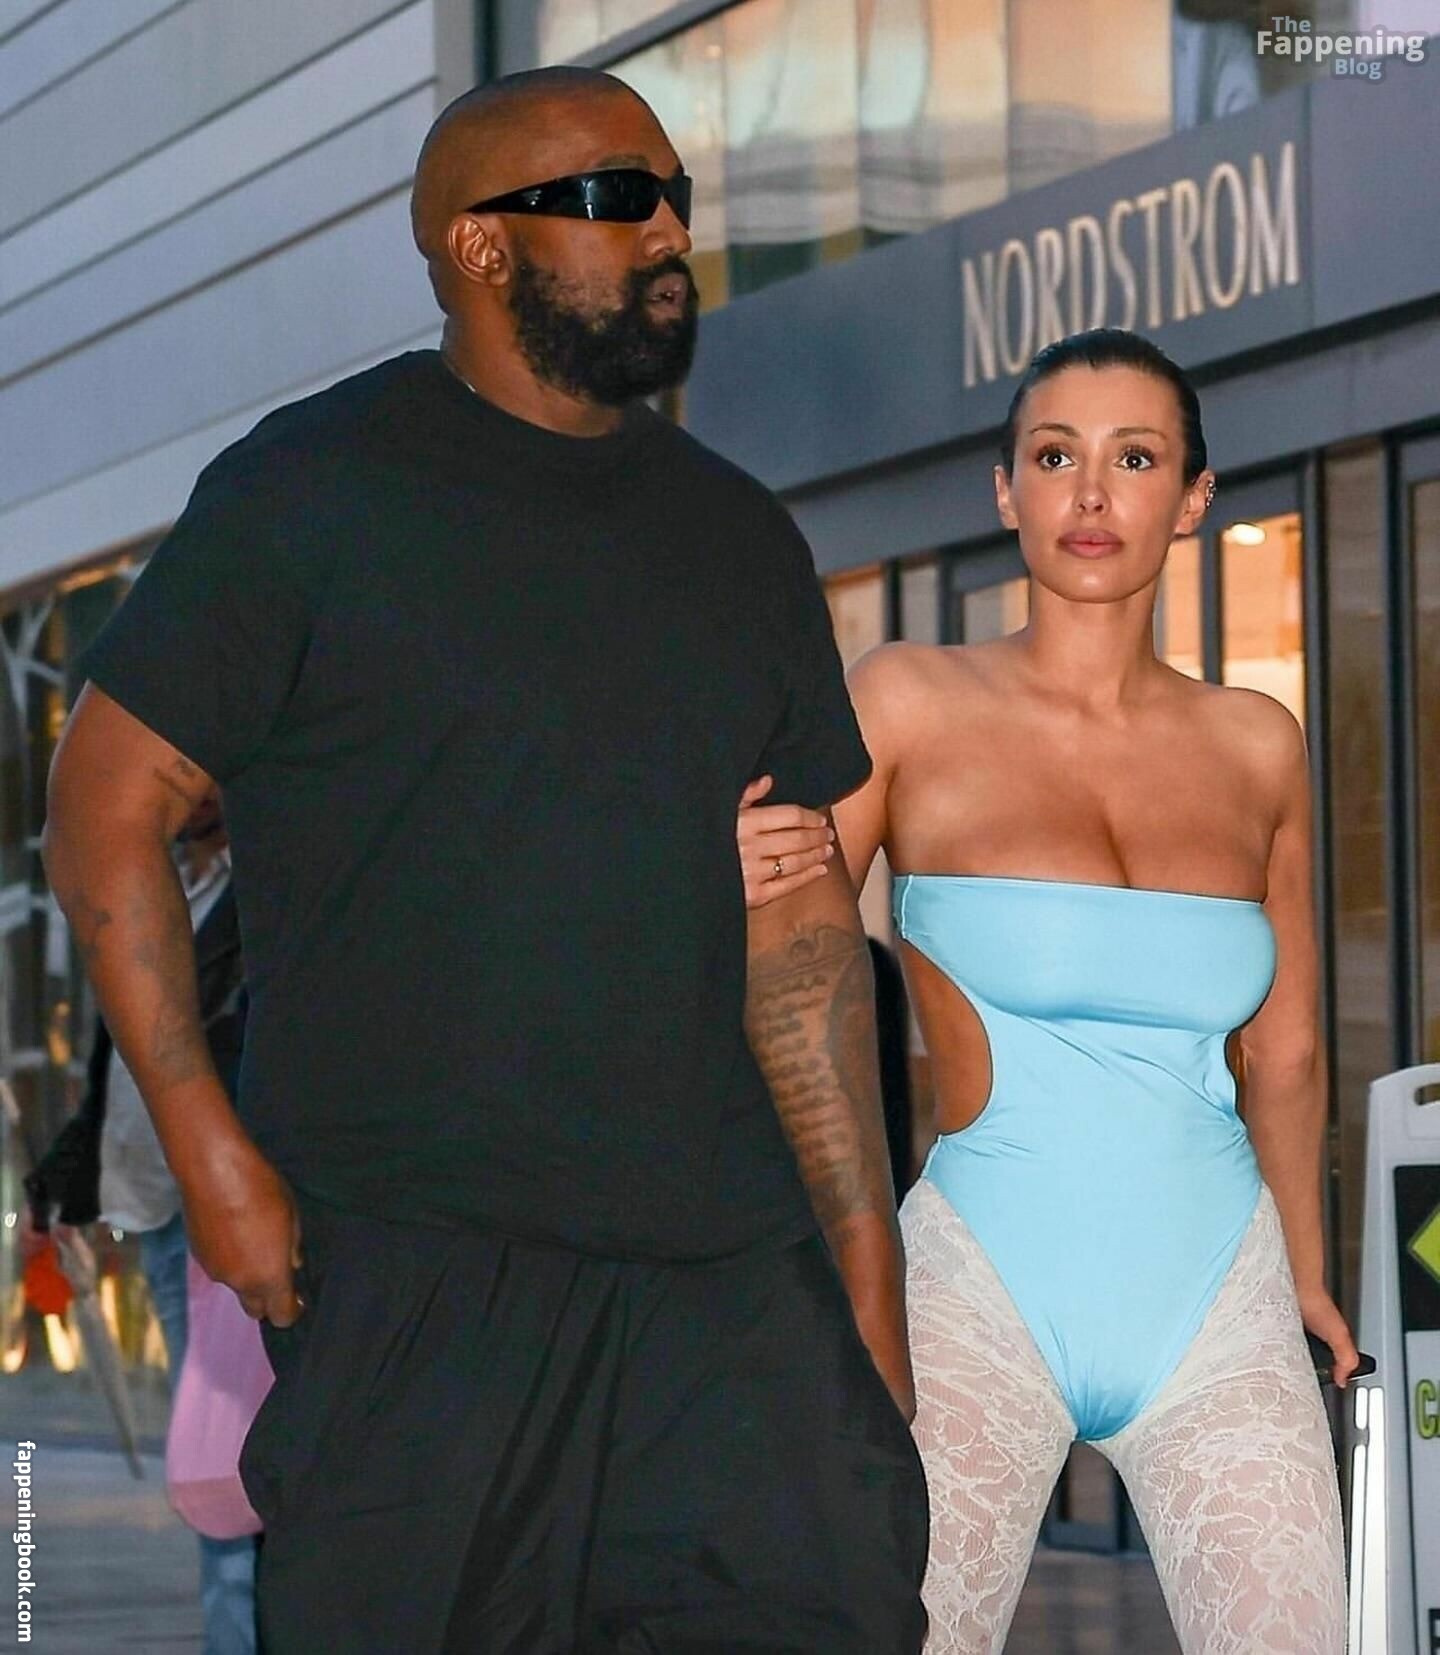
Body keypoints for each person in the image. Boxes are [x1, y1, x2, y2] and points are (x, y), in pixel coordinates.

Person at [41, 67, 927, 1654]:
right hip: (417, 1278)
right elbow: (104, 804)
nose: (667, 232)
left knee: (844, 1600)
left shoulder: (737, 535)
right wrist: (210, 1152)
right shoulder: (310, 490)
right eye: (615, 198)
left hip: (726, 1283)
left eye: (674, 197)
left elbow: (799, 925)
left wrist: (864, 1264)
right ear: (479, 244)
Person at [740, 329, 1354, 1653]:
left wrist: (1307, 1273)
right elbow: (784, 957)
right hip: (976, 1286)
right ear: (1005, 489)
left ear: (1191, 498)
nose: (1090, 493)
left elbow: (1289, 1049)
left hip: (1222, 1292)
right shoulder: (906, 698)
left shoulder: (1258, 742)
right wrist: (724, 870)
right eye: (1055, 455)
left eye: (1134, 458)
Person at [25, 795, 257, 1655]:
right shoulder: (157, 888)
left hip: (226, 1216)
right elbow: (116, 1067)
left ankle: (244, 1631)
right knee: (209, 1453)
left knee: (236, 1459)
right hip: (160, 1209)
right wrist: (59, 1188)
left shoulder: (263, 889)